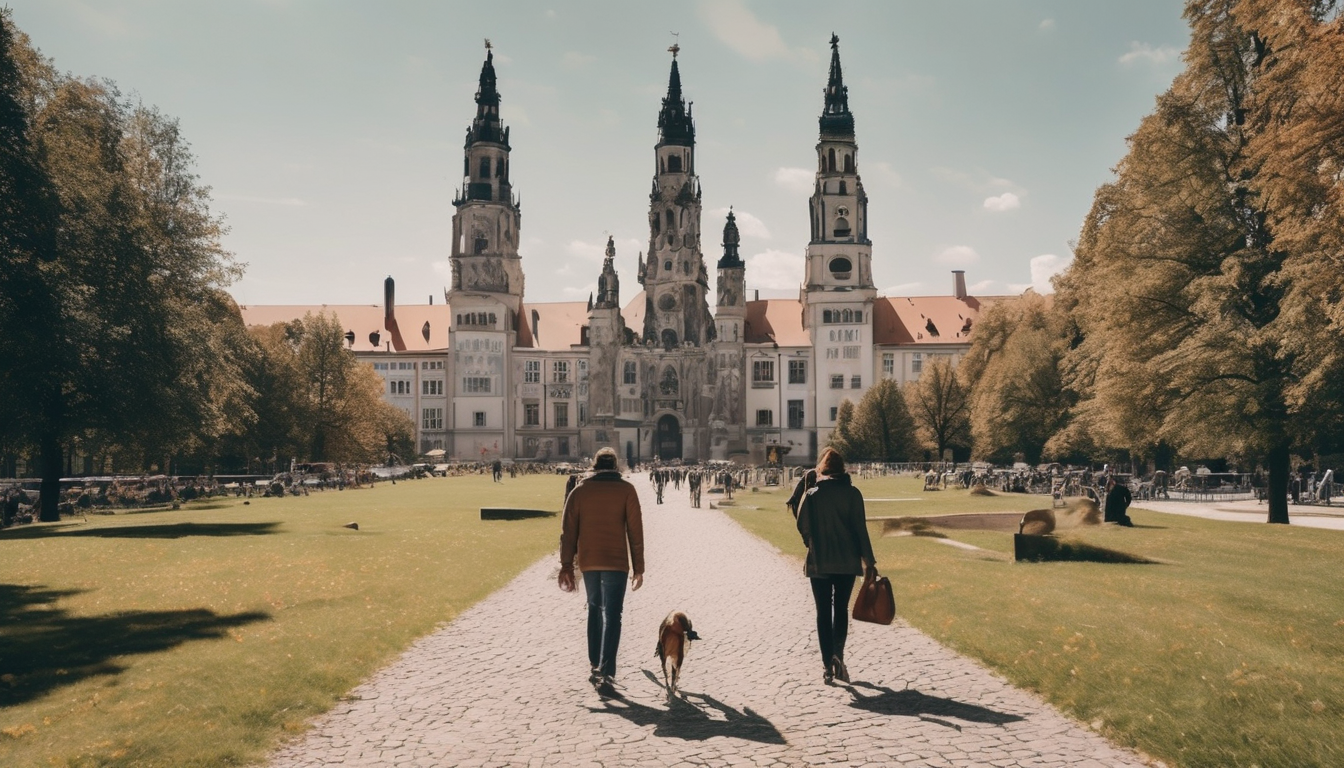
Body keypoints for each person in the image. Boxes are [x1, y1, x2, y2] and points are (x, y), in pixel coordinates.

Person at [559, 448, 645, 686]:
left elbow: (568, 533)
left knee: (595, 609)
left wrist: (566, 565)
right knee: (613, 615)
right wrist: (639, 567)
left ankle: (594, 663)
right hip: (616, 561)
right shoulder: (627, 490)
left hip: (589, 561)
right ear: (616, 466)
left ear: (594, 466)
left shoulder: (579, 491)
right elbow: (635, 532)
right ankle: (607, 670)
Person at [796, 447, 875, 685]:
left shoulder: (812, 494)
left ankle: (827, 664)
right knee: (840, 610)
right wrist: (869, 561)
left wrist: (811, 543)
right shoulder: (853, 494)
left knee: (823, 612)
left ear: (822, 469)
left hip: (820, 561)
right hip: (846, 561)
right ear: (842, 470)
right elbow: (861, 530)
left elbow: (802, 525)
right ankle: (838, 655)